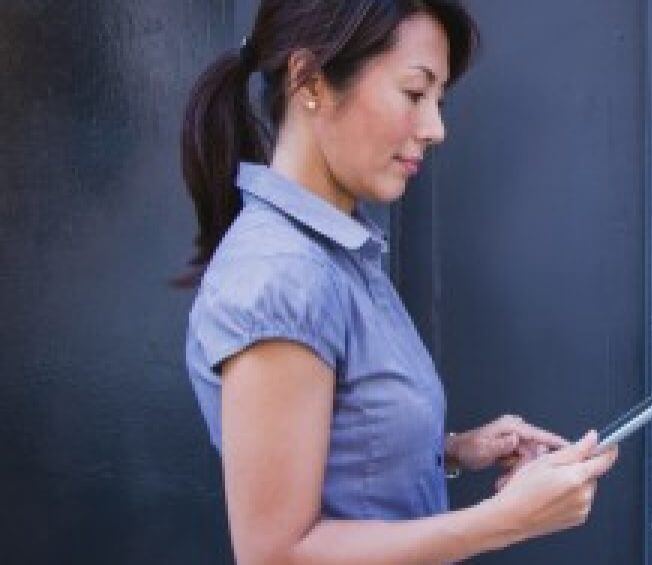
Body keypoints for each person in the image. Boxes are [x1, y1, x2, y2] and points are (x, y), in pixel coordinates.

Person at [175, 1, 618, 562]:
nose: (435, 129)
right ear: (309, 80)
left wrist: (453, 450)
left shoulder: (335, 255)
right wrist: (506, 521)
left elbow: (340, 455)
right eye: (414, 93)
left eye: (438, 100)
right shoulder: (282, 276)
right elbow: (276, 554)